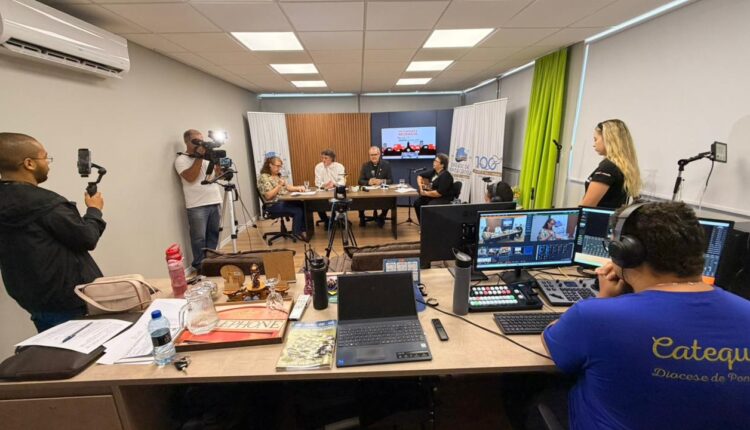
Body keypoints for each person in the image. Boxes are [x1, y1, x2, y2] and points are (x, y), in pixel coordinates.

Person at [542, 201, 750, 430]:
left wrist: (604, 300)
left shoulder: (595, 316)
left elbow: (552, 342)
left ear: (624, 252)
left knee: (528, 392)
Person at [0, 133, 106, 332]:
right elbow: (87, 238)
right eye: (45, 157)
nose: (48, 163)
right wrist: (94, 210)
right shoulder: (46, 203)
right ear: (29, 163)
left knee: (55, 350)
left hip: (34, 302)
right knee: (87, 348)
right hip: (71, 301)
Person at [175, 129, 223, 272]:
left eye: (201, 140)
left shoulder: (207, 158)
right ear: (187, 142)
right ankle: (200, 266)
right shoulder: (181, 160)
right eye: (196, 141)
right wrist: (199, 157)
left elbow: (216, 177)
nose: (200, 144)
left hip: (214, 200)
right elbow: (191, 178)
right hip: (197, 205)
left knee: (213, 234)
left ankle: (211, 263)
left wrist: (218, 166)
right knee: (199, 238)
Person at [580, 119, 642, 208]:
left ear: (608, 139)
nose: (594, 144)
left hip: (598, 217)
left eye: (596, 139)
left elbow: (586, 207)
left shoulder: (608, 168)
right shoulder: (621, 166)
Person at [257, 156, 307, 241]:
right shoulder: (264, 177)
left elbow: (287, 187)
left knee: (302, 204)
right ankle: (296, 233)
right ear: (270, 165)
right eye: (277, 166)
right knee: (297, 210)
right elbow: (268, 196)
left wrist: (298, 188)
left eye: (280, 166)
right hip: (273, 205)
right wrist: (279, 185)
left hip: (283, 201)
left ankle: (303, 230)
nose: (279, 168)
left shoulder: (277, 176)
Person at [357, 146, 393, 227]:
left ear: (379, 154)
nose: (373, 157)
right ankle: (362, 217)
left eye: (375, 154)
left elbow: (391, 180)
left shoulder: (386, 165)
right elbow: (360, 181)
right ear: (369, 156)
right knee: (359, 199)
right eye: (371, 155)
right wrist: (368, 182)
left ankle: (382, 216)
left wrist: (381, 181)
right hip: (368, 193)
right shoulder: (365, 165)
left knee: (389, 199)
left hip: (382, 192)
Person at [414, 153, 454, 222]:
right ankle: (423, 224)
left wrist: (424, 193)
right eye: (434, 161)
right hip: (432, 195)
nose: (434, 162)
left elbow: (439, 193)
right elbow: (420, 176)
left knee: (430, 206)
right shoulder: (434, 172)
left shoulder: (446, 176)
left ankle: (431, 225)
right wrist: (421, 187)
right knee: (417, 203)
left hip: (442, 198)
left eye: (436, 161)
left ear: (442, 165)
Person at [314, 149, 346, 226]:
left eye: (326, 158)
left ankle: (336, 219)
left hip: (336, 190)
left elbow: (342, 181)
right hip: (324, 191)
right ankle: (326, 220)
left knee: (337, 202)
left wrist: (334, 184)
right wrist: (325, 185)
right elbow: (317, 182)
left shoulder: (339, 166)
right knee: (317, 203)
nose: (323, 160)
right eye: (322, 158)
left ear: (332, 158)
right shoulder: (318, 167)